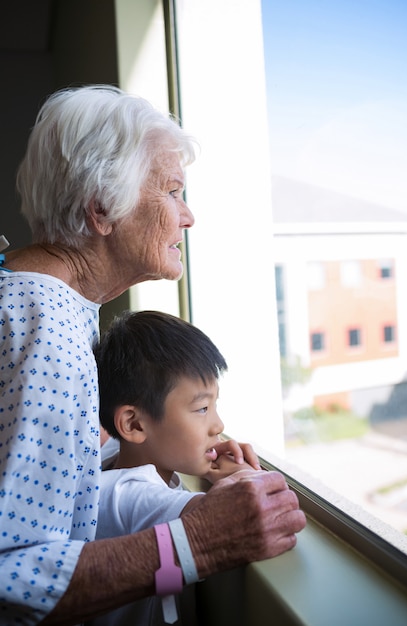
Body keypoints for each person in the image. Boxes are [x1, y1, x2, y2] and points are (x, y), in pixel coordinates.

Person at [0, 84, 306, 625]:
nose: (188, 217)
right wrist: (199, 542)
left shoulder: (35, 294)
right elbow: (12, 579)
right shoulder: (48, 336)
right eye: (172, 192)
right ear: (101, 209)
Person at [92, 309, 262, 625]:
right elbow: (251, 506)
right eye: (201, 409)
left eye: (215, 406)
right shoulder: (132, 496)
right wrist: (242, 472)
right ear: (133, 423)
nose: (219, 425)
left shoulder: (116, 461)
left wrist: (209, 464)